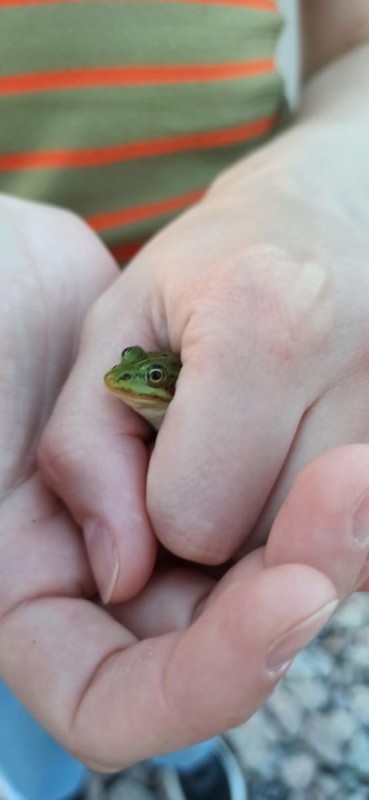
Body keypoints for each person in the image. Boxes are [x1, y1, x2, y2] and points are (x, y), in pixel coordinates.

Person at [1, 1, 369, 799]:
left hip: (241, 330)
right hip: (19, 438)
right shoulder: (130, 388)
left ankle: (192, 759)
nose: (135, 386)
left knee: (206, 660)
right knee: (32, 721)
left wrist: (316, 190)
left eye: (148, 380)